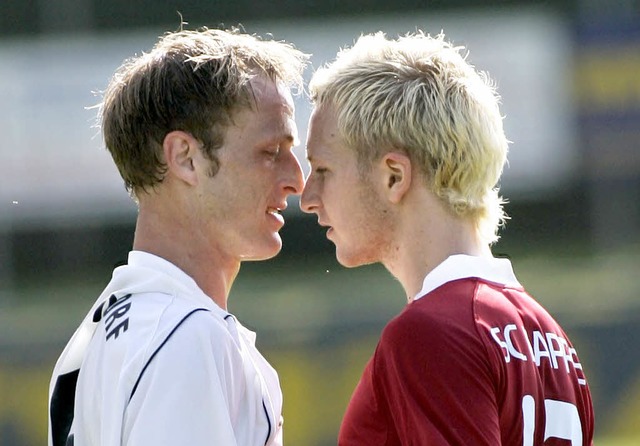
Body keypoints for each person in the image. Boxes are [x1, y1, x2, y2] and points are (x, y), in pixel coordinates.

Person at [301, 31, 595, 445]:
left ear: (394, 176)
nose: (308, 198)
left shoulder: (431, 332)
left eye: (323, 170)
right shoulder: (551, 338)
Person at [48, 27, 307, 446]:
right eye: (270, 152)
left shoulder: (100, 331)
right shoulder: (186, 335)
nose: (297, 180)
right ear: (186, 158)